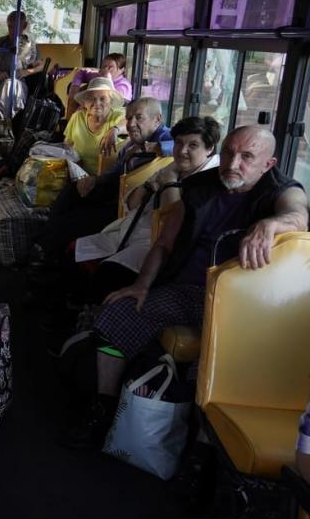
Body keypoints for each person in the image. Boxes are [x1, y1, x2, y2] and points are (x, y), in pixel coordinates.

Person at [70, 126, 309, 448]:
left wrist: (271, 224)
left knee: (215, 360)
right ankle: (103, 407)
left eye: (247, 157)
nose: (233, 163)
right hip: (188, 290)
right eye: (228, 153)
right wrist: (141, 286)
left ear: (269, 164)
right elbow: (164, 245)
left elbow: (298, 214)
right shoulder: (198, 188)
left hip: (243, 306)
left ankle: (201, 447)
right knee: (120, 313)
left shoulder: (280, 190)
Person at [78, 116, 222, 302]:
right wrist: (148, 186)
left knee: (108, 272)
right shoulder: (173, 167)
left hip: (166, 250)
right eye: (179, 143)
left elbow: (171, 219)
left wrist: (169, 182)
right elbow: (132, 204)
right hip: (137, 233)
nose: (183, 151)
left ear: (209, 149)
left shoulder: (208, 182)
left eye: (193, 145)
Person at [38, 96, 171, 260]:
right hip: (114, 191)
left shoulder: (165, 136)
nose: (131, 124)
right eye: (129, 118)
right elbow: (115, 171)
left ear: (157, 119)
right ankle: (45, 243)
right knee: (73, 189)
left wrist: (156, 147)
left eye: (139, 117)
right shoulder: (130, 144)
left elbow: (182, 145)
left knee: (73, 221)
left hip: (130, 205)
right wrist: (94, 180)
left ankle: (47, 252)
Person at [62, 76, 128, 176]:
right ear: (85, 103)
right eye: (91, 98)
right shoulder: (77, 117)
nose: (97, 103)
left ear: (111, 101)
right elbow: (67, 147)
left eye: (103, 98)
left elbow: (129, 122)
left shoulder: (117, 115)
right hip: (78, 175)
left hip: (107, 179)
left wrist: (115, 129)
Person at [0, 11, 46, 89]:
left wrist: (26, 72)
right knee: (7, 84)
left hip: (21, 84)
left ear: (24, 26)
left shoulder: (30, 45)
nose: (12, 31)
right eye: (10, 27)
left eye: (16, 27)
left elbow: (41, 66)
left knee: (12, 86)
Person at [66, 54, 133, 116]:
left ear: (121, 70)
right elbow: (81, 72)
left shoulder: (124, 86)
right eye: (104, 66)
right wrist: (75, 87)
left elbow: (114, 105)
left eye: (110, 67)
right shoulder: (99, 74)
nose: (106, 69)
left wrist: (107, 78)